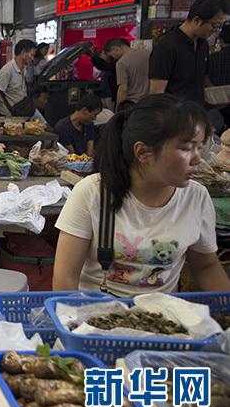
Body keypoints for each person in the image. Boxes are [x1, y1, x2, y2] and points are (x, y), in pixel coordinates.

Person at [54, 94, 230, 295]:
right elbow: (65, 276)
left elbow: (206, 267)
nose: (198, 158)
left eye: (199, 147)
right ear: (142, 152)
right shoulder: (93, 192)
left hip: (162, 317)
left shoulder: (196, 198)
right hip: (95, 314)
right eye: (186, 148)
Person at [150, 0, 230, 105]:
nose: (215, 31)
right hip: (175, 116)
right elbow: (156, 94)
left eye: (219, 27)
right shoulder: (167, 47)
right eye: (214, 25)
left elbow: (200, 79)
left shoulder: (203, 44)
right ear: (196, 20)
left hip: (197, 114)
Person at [0, 39, 35, 117]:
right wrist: (0, 109)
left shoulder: (24, 69)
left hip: (21, 114)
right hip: (8, 116)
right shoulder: (8, 70)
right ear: (23, 52)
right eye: (31, 55)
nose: (32, 58)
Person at [113, 40, 150, 109]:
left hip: (133, 103)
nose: (114, 58)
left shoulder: (121, 62)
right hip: (150, 101)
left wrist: (118, 109)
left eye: (112, 56)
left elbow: (123, 88)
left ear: (115, 49)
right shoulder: (149, 53)